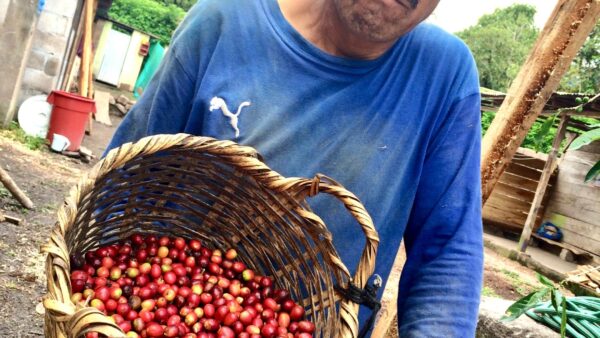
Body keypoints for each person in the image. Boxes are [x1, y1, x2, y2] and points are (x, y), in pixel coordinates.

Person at [106, 0, 484, 336]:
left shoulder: (444, 75)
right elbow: (121, 183)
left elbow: (447, 251)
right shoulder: (222, 22)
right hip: (171, 302)